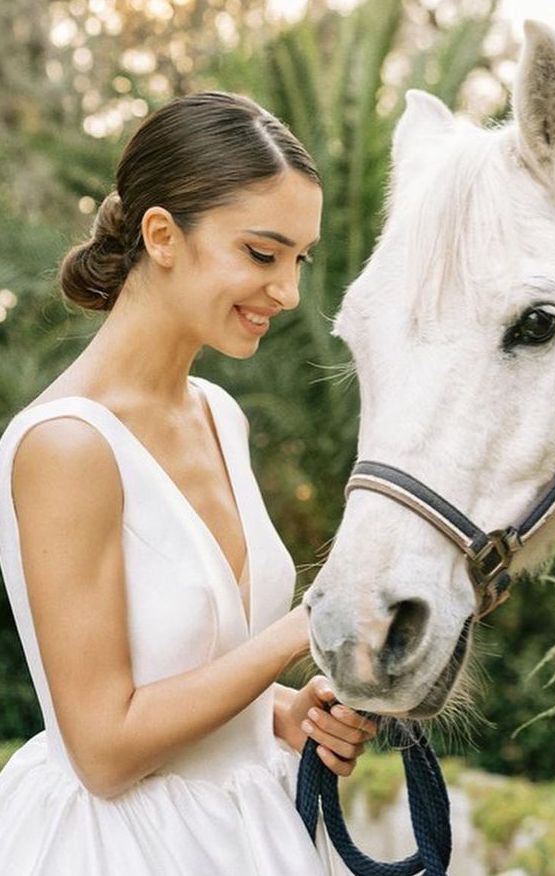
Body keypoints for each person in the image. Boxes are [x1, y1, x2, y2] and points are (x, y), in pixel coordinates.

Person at [0, 91, 373, 874]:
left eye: (299, 260)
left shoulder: (219, 412)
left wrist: (279, 714)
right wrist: (309, 623)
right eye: (263, 254)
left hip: (252, 830)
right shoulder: (66, 445)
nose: (289, 291)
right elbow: (101, 748)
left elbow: (186, 662)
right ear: (162, 235)